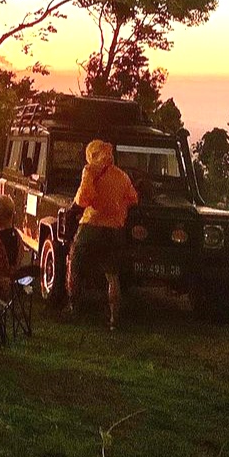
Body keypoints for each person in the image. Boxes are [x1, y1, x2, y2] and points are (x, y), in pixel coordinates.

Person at [66, 139, 139, 331]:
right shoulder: (122, 176)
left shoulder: (90, 171)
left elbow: (83, 199)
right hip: (115, 230)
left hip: (91, 227)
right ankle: (114, 320)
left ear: (92, 154)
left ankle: (74, 310)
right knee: (112, 276)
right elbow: (133, 198)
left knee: (75, 265)